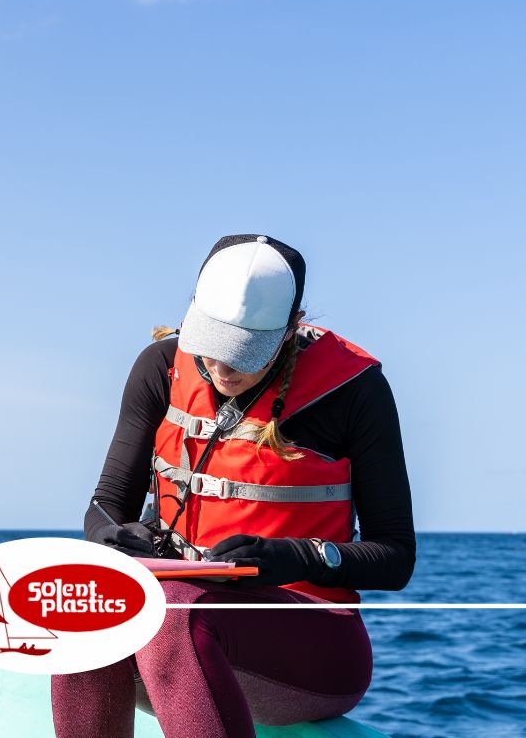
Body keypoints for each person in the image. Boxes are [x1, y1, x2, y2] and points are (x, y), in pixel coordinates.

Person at [51, 235, 416, 737]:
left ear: (289, 329)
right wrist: (110, 537)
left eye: (246, 355)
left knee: (175, 612)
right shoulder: (158, 367)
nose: (223, 370)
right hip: (174, 634)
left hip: (310, 646)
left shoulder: (357, 391)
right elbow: (105, 505)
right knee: (85, 602)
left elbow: (395, 557)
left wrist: (295, 557)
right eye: (213, 349)